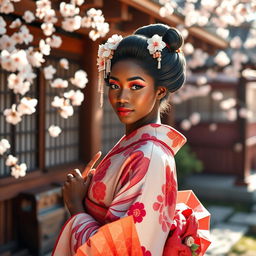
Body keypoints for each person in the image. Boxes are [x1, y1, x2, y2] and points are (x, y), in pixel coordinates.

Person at [52, 23, 210, 256]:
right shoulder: (137, 147)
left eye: (136, 86)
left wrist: (76, 206)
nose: (122, 97)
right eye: (115, 85)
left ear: (160, 91)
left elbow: (121, 251)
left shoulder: (150, 156)